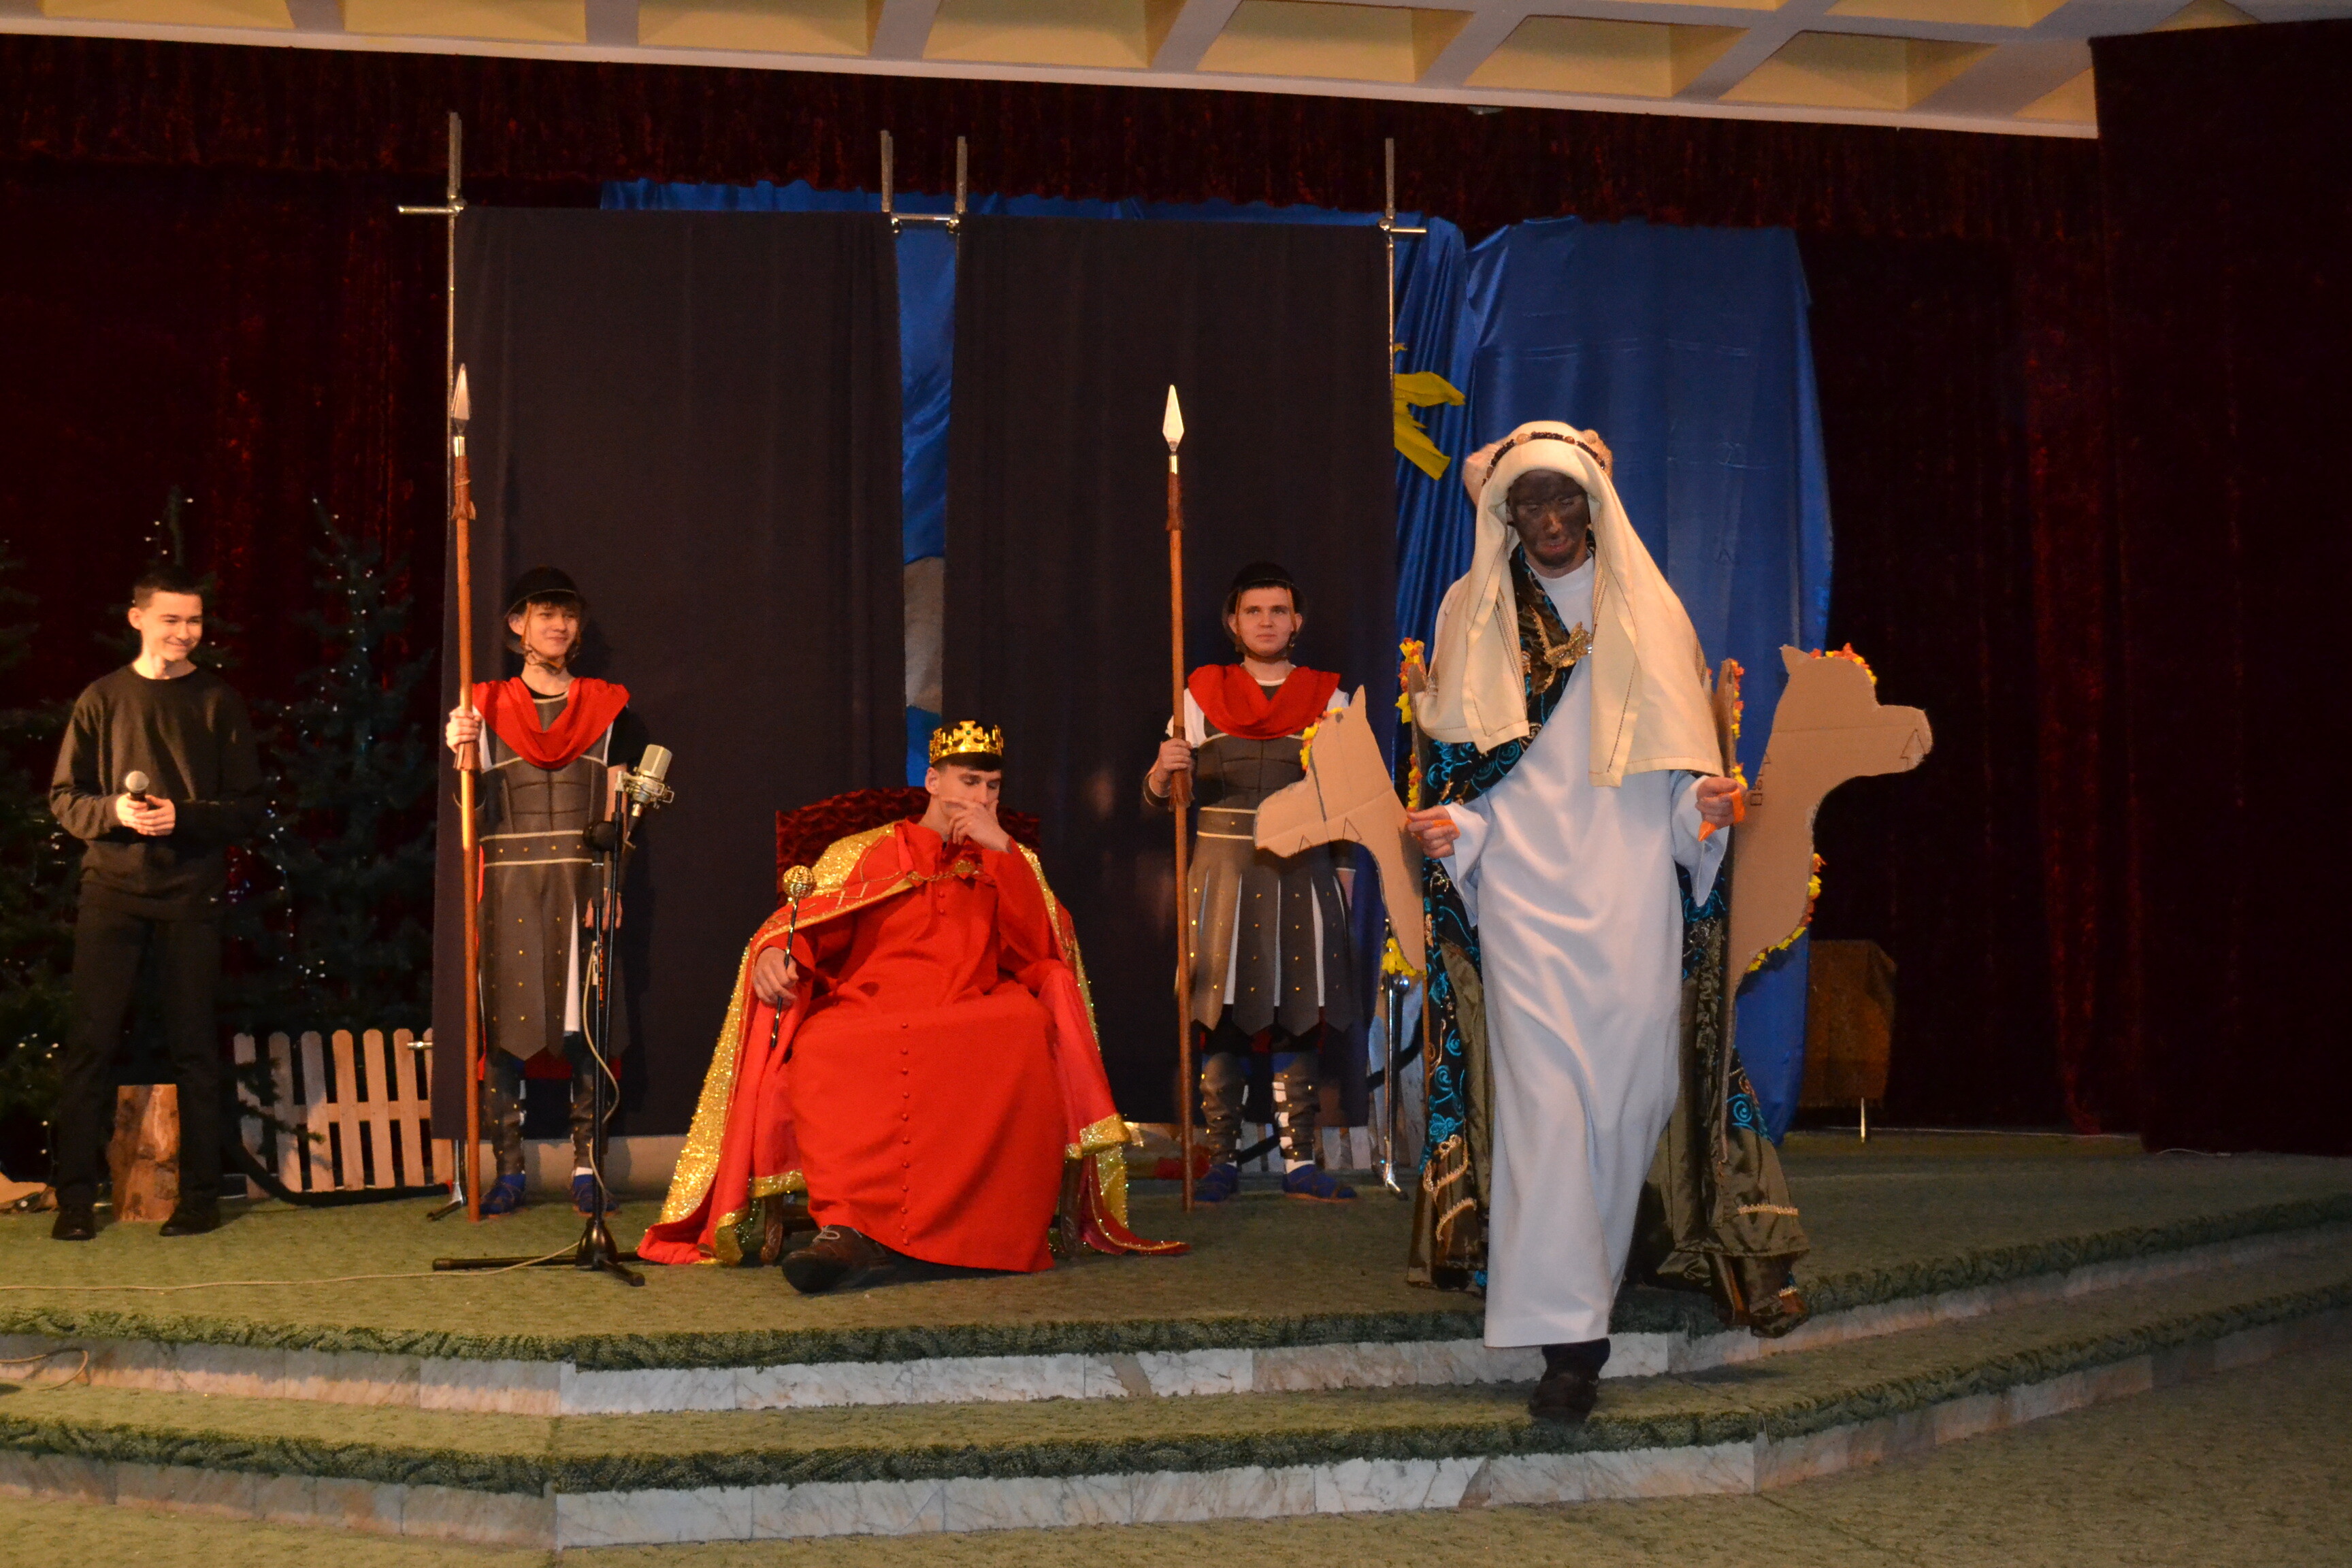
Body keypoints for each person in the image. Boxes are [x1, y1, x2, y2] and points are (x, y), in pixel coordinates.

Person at [1404, 423, 1744, 1424]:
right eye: (1530, 504)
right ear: (1505, 515)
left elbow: (1680, 775)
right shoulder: (1472, 606)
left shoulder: (1651, 606)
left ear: (1593, 506)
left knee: (1631, 1100)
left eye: (1564, 501)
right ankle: (1570, 1343)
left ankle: (1589, 1281)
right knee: (1547, 1113)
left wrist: (1704, 812)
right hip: (1522, 893)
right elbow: (1471, 776)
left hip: (1631, 886)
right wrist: (1457, 831)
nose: (1549, 521)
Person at [641, 721, 1182, 1288]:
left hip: (972, 1001)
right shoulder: (862, 851)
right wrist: (778, 951)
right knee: (824, 1044)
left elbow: (1040, 949)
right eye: (969, 782)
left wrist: (1002, 852)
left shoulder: (1008, 855)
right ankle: (848, 1228)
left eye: (993, 786)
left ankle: (975, 1234)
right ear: (932, 781)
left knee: (1021, 1026)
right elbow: (811, 925)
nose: (982, 798)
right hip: (870, 1004)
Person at [47, 563, 264, 1241]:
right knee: (90, 1046)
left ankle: (200, 1199)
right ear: (137, 618)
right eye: (171, 619)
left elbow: (248, 806)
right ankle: (75, 1201)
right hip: (112, 893)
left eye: (194, 620)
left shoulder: (217, 701)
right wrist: (114, 810)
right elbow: (64, 798)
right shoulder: (102, 698)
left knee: (195, 1048)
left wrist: (184, 818)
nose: (185, 632)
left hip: (189, 895)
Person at [1146, 562, 1358, 1205]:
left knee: (1300, 1013)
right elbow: (1162, 799)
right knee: (1221, 1014)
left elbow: (1348, 802)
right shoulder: (1199, 694)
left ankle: (1300, 1165)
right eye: (1254, 611)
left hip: (1303, 871)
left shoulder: (1330, 697)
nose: (1267, 622)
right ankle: (1221, 1162)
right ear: (1233, 623)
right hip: (1223, 875)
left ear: (1297, 621)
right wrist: (1162, 769)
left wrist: (1344, 879)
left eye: (1278, 611)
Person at [444, 568, 650, 1217]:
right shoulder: (482, 708)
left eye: (567, 614)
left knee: (586, 1022)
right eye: (544, 613)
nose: (558, 625)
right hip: (510, 884)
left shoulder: (608, 708)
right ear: (517, 624)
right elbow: (470, 812)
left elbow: (619, 806)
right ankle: (508, 1170)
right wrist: (461, 753)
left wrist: (611, 880)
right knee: (507, 1023)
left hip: (581, 880)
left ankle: (588, 1167)